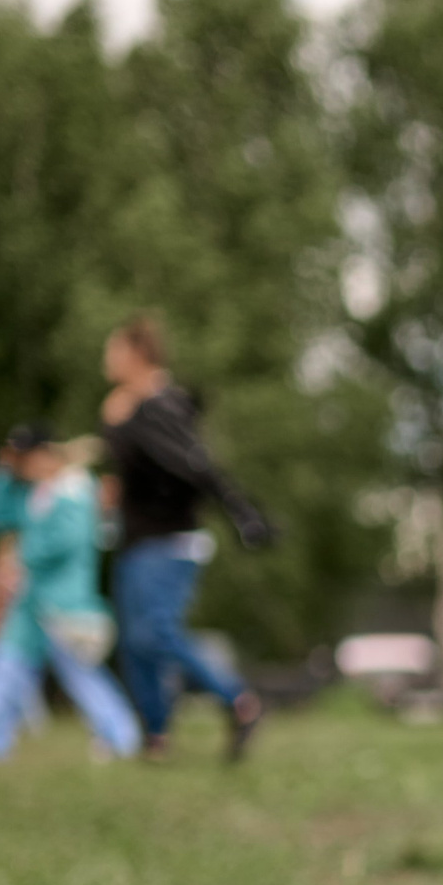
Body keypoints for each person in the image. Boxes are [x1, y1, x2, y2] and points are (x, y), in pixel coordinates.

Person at [99, 313, 276, 761]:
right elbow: (145, 471)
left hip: (170, 540)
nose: (107, 357)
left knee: (156, 632)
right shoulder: (128, 407)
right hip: (134, 538)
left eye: (114, 349)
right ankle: (155, 737)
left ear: (137, 353)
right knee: (135, 642)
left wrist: (241, 512)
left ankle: (240, 701)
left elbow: (197, 466)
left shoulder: (162, 404)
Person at [0, 427, 141, 769]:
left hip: (64, 603)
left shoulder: (75, 488)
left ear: (46, 454)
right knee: (6, 663)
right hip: (31, 602)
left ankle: (122, 737)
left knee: (81, 675)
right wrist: (1, 472)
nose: (24, 465)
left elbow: (70, 540)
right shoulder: (36, 493)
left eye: (26, 458)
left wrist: (21, 556)